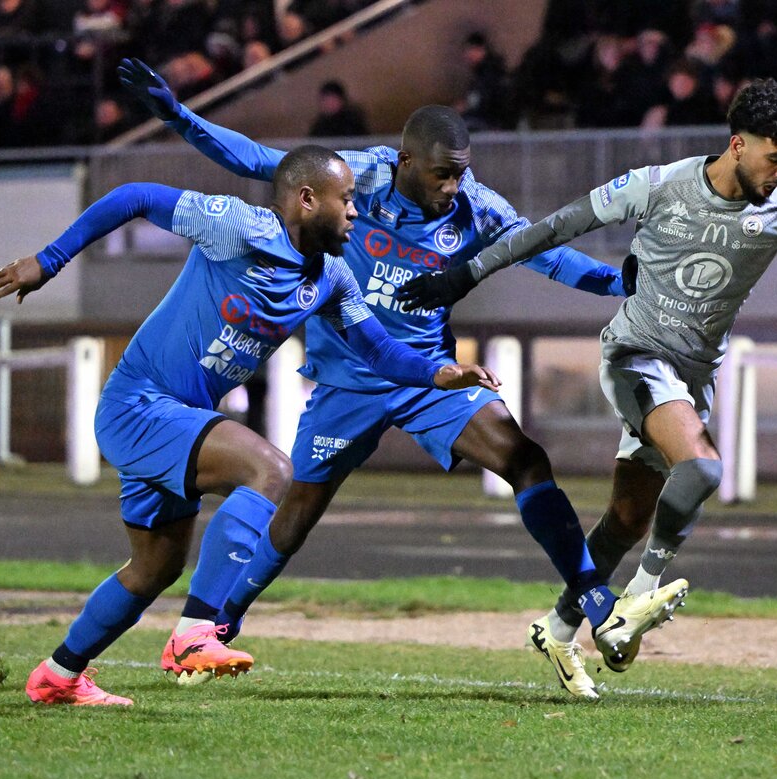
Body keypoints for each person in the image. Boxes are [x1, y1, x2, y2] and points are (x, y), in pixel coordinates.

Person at [118, 58, 676, 701]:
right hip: (347, 380)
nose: (453, 186)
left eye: (461, 172)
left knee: (525, 458)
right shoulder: (358, 176)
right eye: (443, 174)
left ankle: (590, 595)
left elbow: (540, 251)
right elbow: (257, 160)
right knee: (295, 515)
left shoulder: (476, 208)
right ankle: (214, 626)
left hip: (428, 377)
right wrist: (178, 116)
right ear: (406, 161)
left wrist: (616, 281)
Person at [0, 144, 498, 705]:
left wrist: (438, 372)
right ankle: (195, 633)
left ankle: (58, 675)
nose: (356, 211)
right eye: (347, 199)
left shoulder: (332, 277)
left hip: (182, 420)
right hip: (139, 405)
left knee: (154, 568)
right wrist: (50, 260)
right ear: (307, 199)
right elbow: (136, 196)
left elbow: (378, 350)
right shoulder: (239, 227)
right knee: (272, 470)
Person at [398, 78, 777, 682]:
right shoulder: (659, 185)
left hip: (693, 377)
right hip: (636, 356)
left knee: (628, 518)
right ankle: (636, 597)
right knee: (702, 469)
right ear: (738, 144)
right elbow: (555, 228)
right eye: (776, 159)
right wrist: (466, 273)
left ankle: (559, 628)